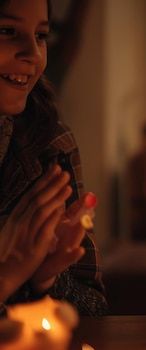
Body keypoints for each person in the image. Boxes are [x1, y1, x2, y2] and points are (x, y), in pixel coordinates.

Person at [0, 0, 107, 315]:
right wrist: (6, 277)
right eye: (7, 31)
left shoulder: (51, 146)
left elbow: (95, 313)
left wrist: (47, 277)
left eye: (41, 35)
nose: (32, 54)